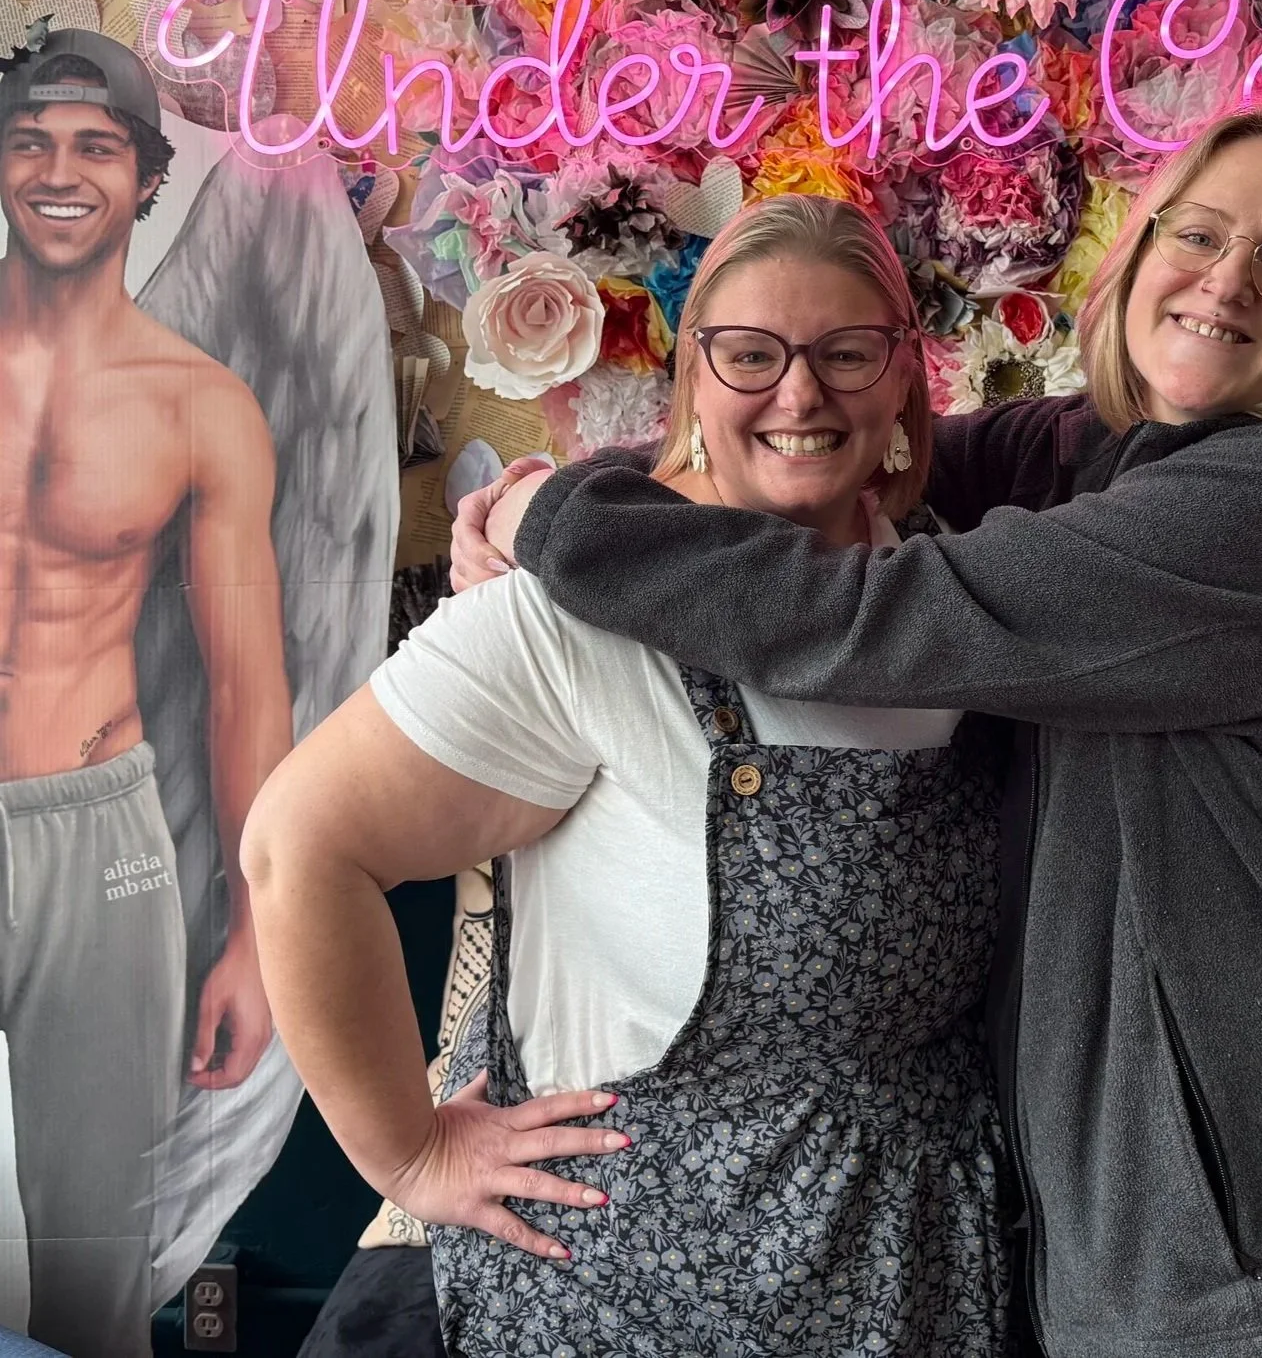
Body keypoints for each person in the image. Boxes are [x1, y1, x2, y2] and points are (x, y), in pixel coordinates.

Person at [458, 110, 1262, 1358]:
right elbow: (825, 439)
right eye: (1201, 235)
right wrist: (587, 483)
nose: (1227, 281)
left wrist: (558, 525)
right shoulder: (1094, 455)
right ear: (1139, 250)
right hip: (1162, 1270)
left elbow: (870, 614)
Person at [243, 195, 1010, 1357]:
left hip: (913, 1288)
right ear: (693, 376)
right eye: (751, 354)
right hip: (626, 1301)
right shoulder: (572, 620)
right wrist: (410, 1153)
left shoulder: (956, 597)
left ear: (906, 374)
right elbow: (297, 845)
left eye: (848, 353)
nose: (801, 394)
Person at [0, 32, 289, 1358]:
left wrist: (254, 934)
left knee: (93, 1275)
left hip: (99, 835)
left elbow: (244, 684)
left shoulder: (200, 405)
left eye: (96, 146)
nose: (58, 172)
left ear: (148, 177)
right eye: (29, 142)